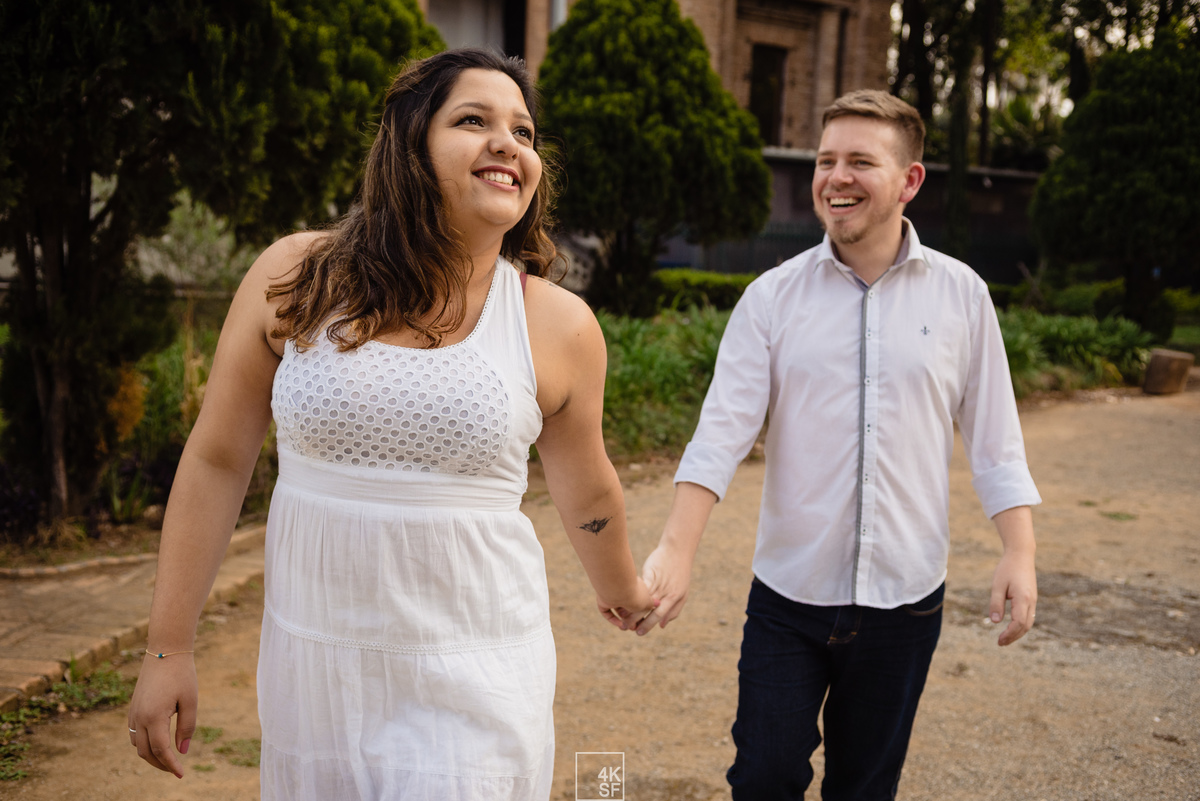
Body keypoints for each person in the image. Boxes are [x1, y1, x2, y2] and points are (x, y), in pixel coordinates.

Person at [127, 48, 654, 800]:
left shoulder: (558, 324)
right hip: (316, 675)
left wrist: (625, 586)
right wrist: (166, 648)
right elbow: (216, 459)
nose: (508, 142)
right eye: (473, 120)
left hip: (478, 667)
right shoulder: (295, 278)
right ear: (409, 146)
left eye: (525, 132)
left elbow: (588, 489)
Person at [635, 89, 1041, 800]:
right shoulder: (770, 299)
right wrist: (677, 546)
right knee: (762, 776)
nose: (836, 177)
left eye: (860, 161)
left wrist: (1020, 549)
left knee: (864, 786)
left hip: (907, 600)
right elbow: (720, 433)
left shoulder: (963, 296)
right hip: (789, 597)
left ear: (909, 180)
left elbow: (995, 437)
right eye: (827, 160)